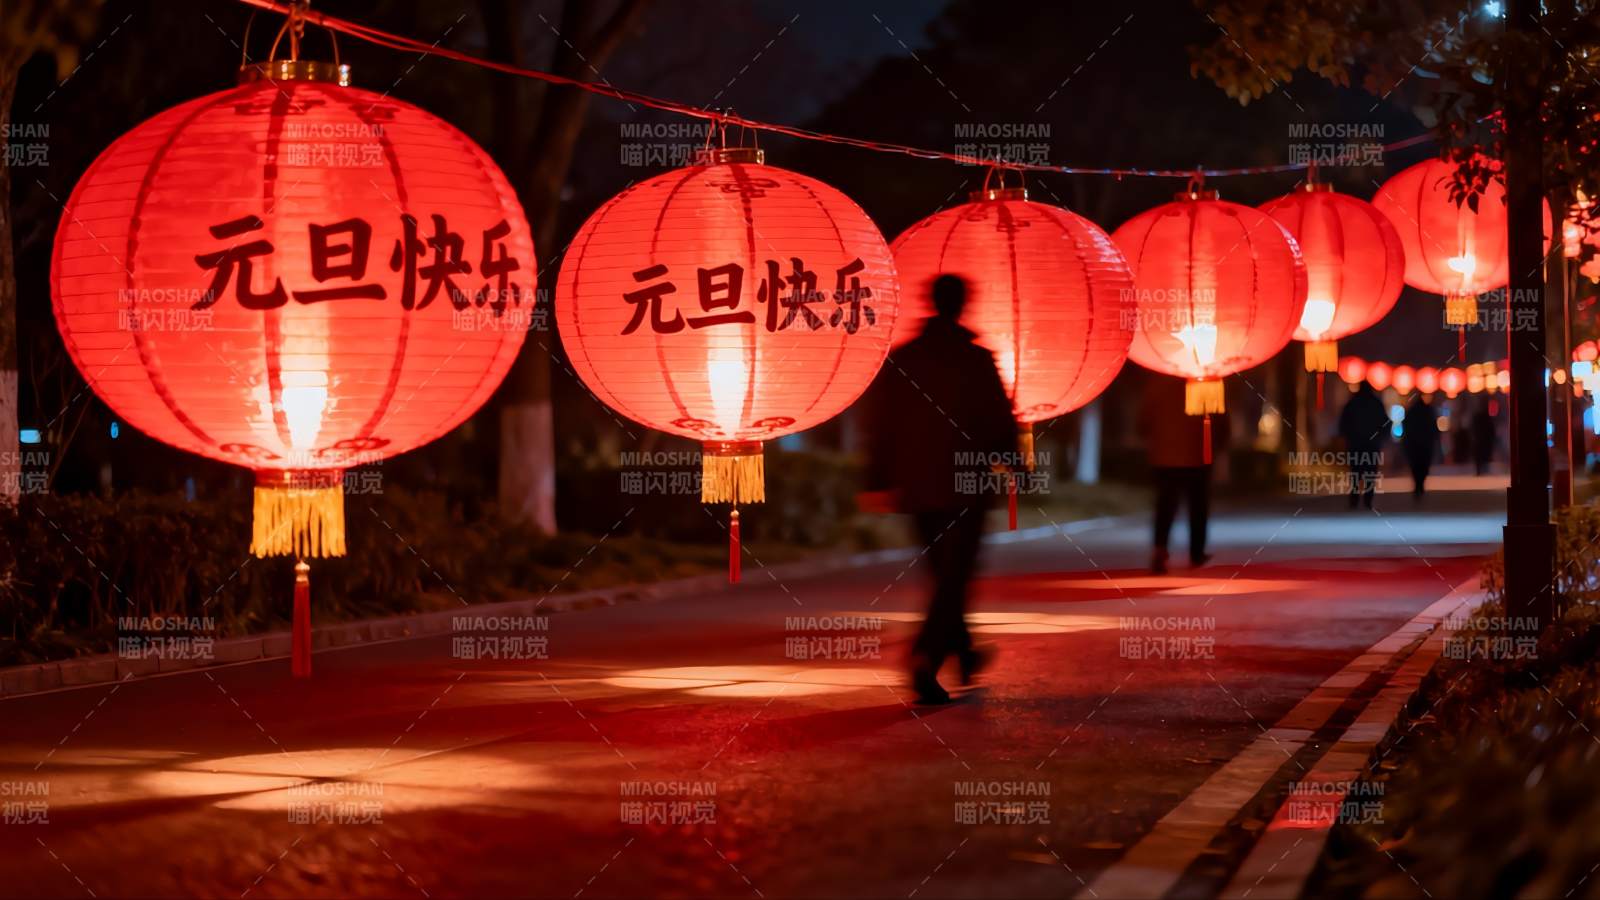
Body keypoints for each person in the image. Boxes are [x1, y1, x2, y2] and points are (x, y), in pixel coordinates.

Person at [860, 274, 1016, 705]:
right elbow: (999, 420)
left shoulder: (904, 360)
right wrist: (1016, 466)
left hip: (918, 487)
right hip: (966, 486)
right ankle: (924, 659)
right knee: (954, 578)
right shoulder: (976, 360)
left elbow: (881, 426)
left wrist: (877, 479)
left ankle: (964, 652)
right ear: (963, 305)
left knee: (946, 576)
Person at [1138, 374, 1221, 575]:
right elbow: (1217, 420)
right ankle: (1196, 552)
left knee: (1165, 506)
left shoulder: (1155, 385)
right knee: (1197, 506)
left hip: (1164, 456)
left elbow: (1143, 422)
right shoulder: (1204, 380)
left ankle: (1160, 549)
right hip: (1196, 454)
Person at [1338, 381, 1389, 509]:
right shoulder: (1376, 404)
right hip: (1372, 445)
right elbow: (1385, 423)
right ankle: (1368, 499)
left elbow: (1344, 424)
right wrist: (1381, 438)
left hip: (1355, 444)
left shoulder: (1352, 403)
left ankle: (1354, 499)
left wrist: (1346, 437)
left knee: (1356, 472)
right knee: (1370, 473)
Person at [1401, 394, 1440, 498]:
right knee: (1423, 465)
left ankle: (1418, 484)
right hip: (1426, 444)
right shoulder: (1429, 411)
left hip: (1413, 444)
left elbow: (1405, 428)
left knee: (1415, 465)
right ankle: (1420, 484)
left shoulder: (1410, 412)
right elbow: (1434, 428)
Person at [1471, 400, 1497, 475]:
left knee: (1481, 455)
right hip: (1482, 440)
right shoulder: (1484, 417)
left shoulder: (1480, 417)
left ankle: (1481, 470)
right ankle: (1482, 470)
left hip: (1481, 440)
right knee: (1482, 455)